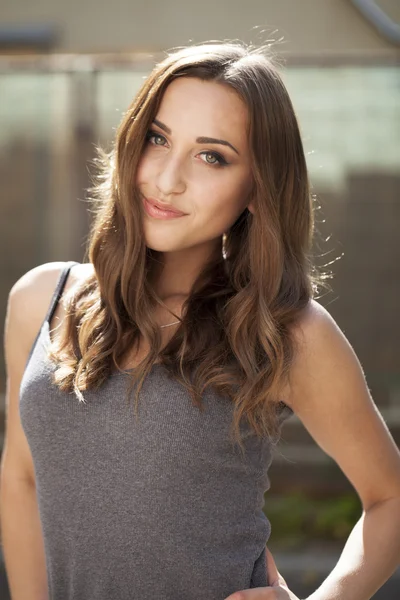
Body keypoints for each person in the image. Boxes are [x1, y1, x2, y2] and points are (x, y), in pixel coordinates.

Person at [1, 42, 400, 600]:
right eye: (158, 139)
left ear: (257, 188)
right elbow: (22, 478)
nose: (167, 180)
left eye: (211, 156)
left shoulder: (287, 333)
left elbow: (391, 497)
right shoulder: (41, 300)